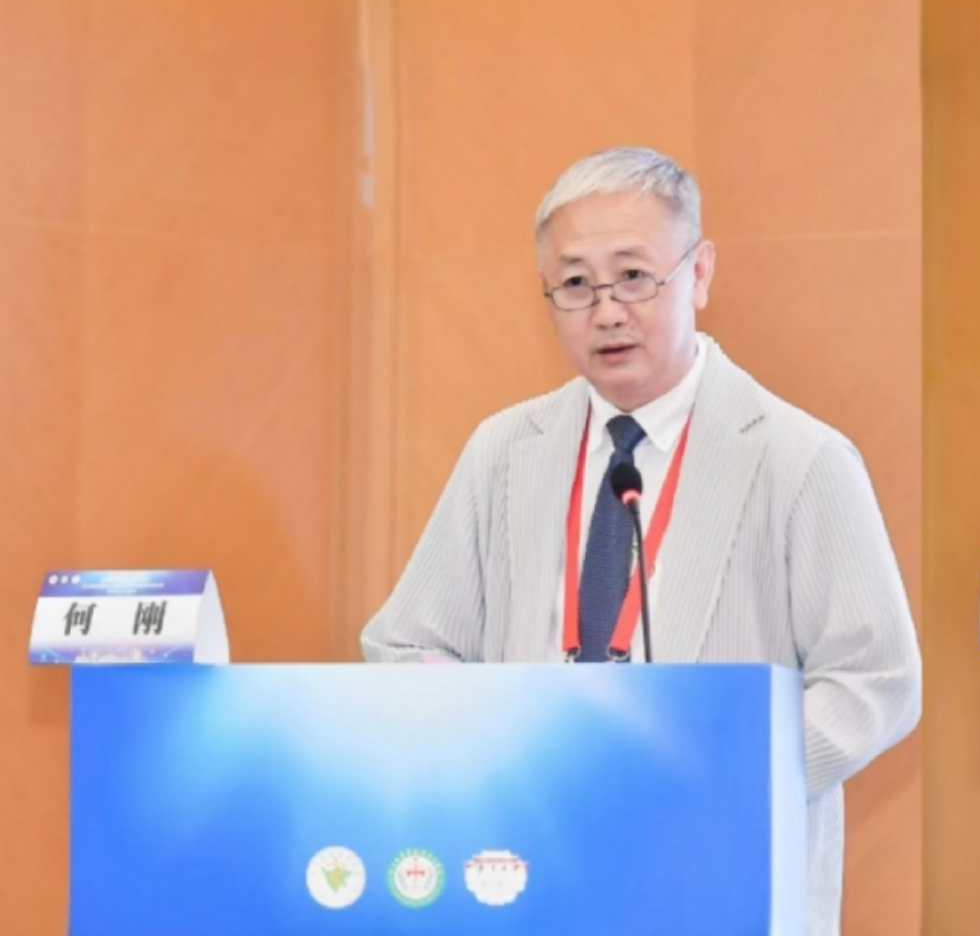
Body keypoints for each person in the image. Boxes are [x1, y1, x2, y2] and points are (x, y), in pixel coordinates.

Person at [361, 146, 921, 933]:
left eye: (633, 276)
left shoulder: (798, 458)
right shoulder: (504, 450)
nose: (606, 311)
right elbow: (404, 644)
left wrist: (720, 780)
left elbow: (877, 681)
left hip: (715, 869)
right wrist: (485, 738)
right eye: (575, 284)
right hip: (529, 861)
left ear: (699, 273)